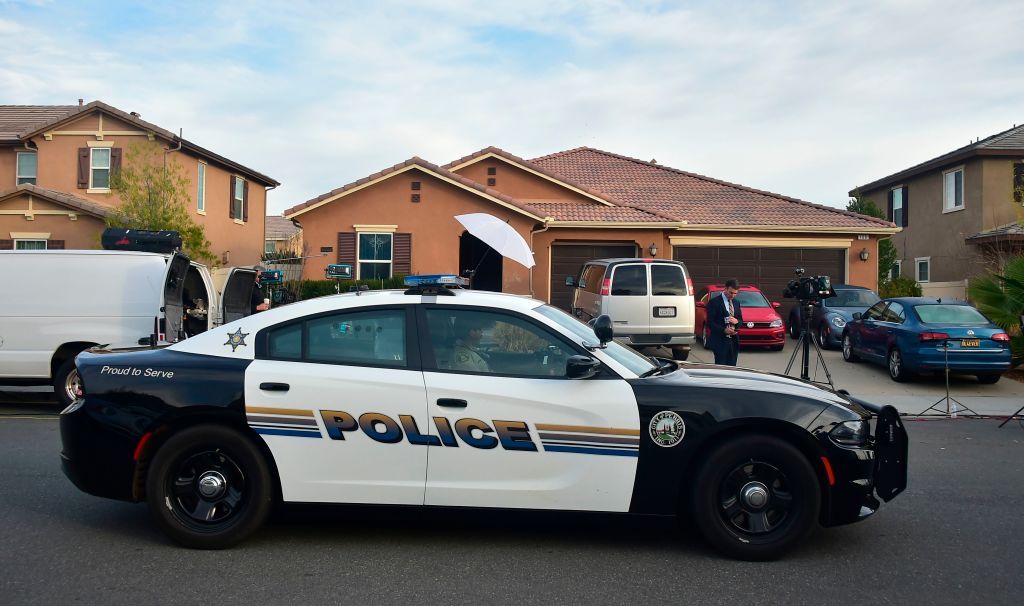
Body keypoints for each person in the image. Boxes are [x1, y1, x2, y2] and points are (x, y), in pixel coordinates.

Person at [706, 278, 743, 366]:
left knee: (732, 368)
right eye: (731, 292)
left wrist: (736, 321)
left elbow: (741, 320)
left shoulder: (736, 303)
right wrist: (723, 330)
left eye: (735, 293)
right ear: (725, 289)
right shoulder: (714, 302)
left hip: (733, 342)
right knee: (721, 369)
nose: (733, 295)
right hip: (720, 341)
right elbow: (710, 323)